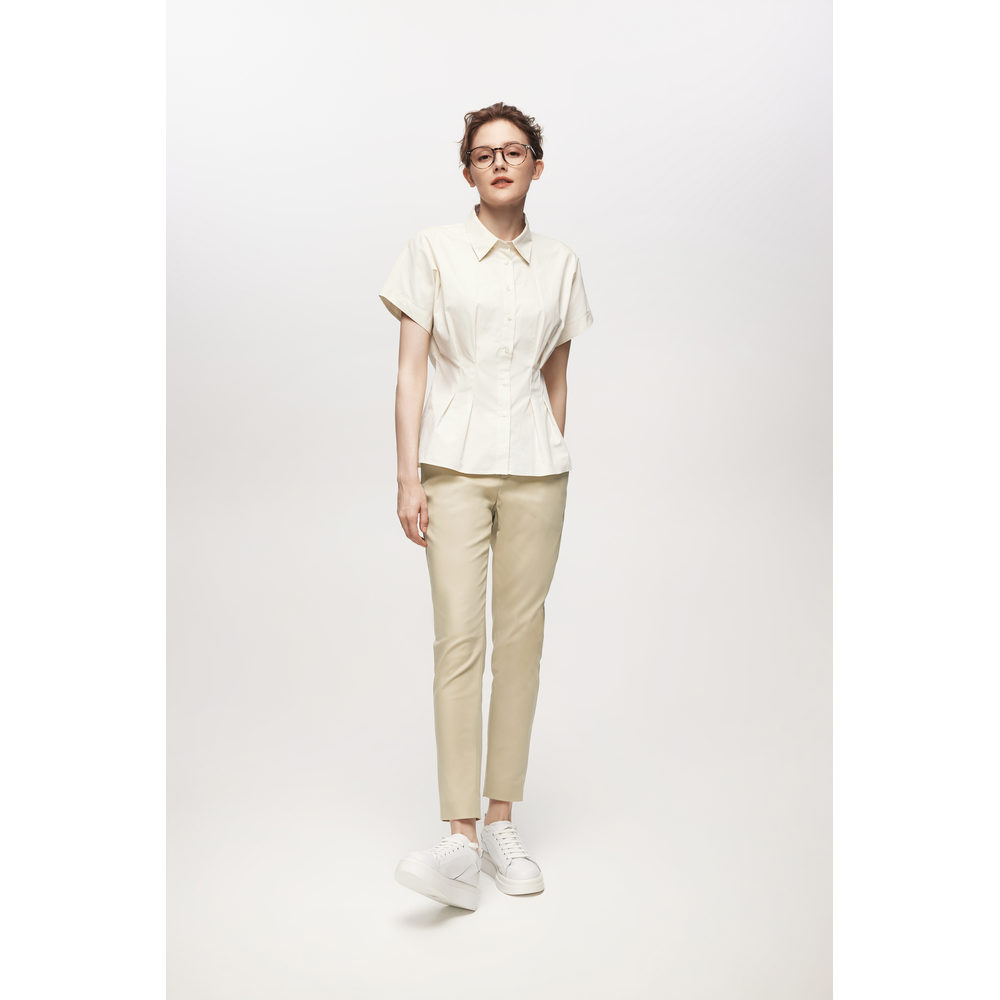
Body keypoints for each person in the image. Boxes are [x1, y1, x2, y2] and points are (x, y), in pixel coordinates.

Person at [380, 102, 593, 911]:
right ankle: (460, 837)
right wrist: (409, 478)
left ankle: (503, 820)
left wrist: (551, 450)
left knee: (522, 644)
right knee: (458, 642)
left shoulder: (562, 263)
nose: (499, 162)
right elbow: (411, 372)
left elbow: (556, 377)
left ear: (537, 164)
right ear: (467, 171)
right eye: (484, 153)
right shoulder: (431, 251)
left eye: (514, 150)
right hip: (453, 468)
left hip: (537, 473)